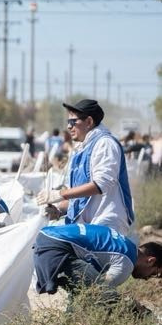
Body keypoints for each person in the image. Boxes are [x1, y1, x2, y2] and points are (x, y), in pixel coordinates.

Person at [37, 100, 134, 236]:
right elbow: (78, 197)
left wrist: (60, 194)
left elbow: (101, 184)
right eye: (68, 122)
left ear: (89, 122)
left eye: (72, 122)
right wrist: (59, 210)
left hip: (105, 224)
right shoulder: (82, 149)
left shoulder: (105, 143)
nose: (68, 127)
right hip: (87, 225)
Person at [33, 224, 161, 301]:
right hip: (56, 248)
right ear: (150, 261)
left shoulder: (126, 244)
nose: (147, 279)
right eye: (155, 273)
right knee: (105, 298)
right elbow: (98, 292)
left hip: (46, 236)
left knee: (84, 290)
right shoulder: (126, 263)